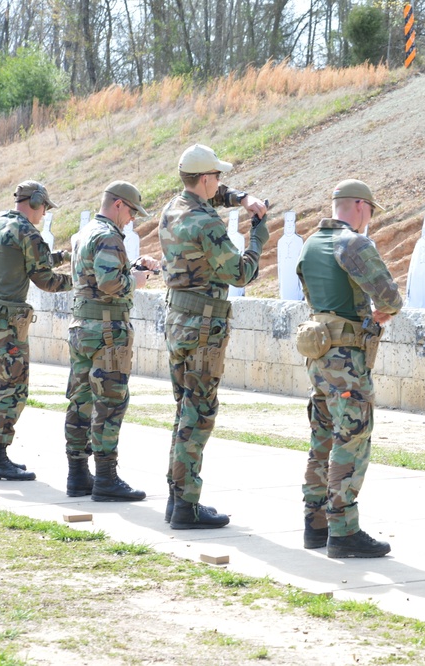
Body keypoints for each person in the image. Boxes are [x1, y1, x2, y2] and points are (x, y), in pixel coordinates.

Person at [159, 144, 270, 529]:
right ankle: (186, 505)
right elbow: (239, 274)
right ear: (205, 179)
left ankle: (177, 499)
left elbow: (212, 194)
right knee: (200, 412)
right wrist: (258, 238)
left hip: (179, 320)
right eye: (217, 177)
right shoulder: (206, 224)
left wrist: (241, 198)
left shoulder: (173, 208)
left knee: (184, 409)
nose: (221, 182)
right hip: (204, 326)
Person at [297, 179, 402, 558]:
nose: (370, 218)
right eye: (371, 210)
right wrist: (385, 311)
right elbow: (390, 296)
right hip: (347, 359)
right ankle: (343, 530)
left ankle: (315, 523)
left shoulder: (310, 244)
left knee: (322, 437)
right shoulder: (353, 243)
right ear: (360, 206)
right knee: (352, 438)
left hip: (318, 355)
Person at [63, 181, 159, 501]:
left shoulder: (86, 232)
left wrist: (132, 268)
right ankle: (105, 478)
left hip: (82, 326)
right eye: (131, 211)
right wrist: (137, 279)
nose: (131, 219)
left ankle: (77, 475)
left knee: (81, 400)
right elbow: (109, 284)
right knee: (110, 402)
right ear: (118, 204)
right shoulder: (108, 235)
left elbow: (94, 279)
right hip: (107, 331)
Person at [0, 181, 71, 481]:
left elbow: (22, 261)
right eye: (45, 207)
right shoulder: (27, 232)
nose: (45, 213)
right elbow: (47, 281)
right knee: (12, 391)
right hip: (5, 326)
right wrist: (82, 281)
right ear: (36, 202)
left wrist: (62, 256)